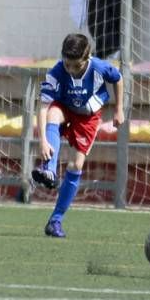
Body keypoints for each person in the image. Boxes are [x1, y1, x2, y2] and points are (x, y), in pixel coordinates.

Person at [31, 33, 124, 238]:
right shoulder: (56, 72)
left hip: (88, 118)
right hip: (65, 108)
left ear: (87, 57)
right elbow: (43, 107)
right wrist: (43, 141)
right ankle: (50, 171)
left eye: (77, 66)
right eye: (67, 65)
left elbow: (117, 78)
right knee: (54, 114)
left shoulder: (99, 67)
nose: (71, 70)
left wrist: (119, 109)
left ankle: (55, 220)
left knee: (76, 166)